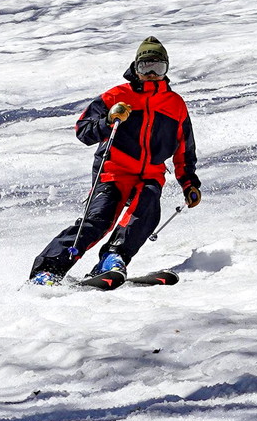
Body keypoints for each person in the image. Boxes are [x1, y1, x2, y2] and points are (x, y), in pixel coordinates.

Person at [29, 36, 201, 288]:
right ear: (135, 68)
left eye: (158, 68)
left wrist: (189, 184)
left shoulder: (175, 105)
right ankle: (47, 270)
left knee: (146, 213)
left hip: (150, 173)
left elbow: (185, 149)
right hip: (114, 171)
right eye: (145, 68)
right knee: (99, 221)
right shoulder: (116, 96)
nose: (151, 74)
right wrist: (108, 119)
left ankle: (112, 258)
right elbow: (83, 131)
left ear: (166, 69)